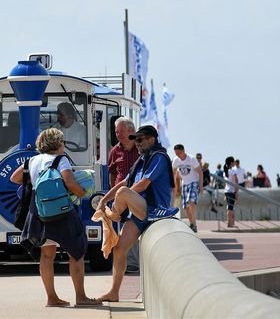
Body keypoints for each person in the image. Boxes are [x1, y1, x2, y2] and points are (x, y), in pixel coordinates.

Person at [10, 128, 100, 307]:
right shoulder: (61, 159)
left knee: (47, 254)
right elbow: (69, 182)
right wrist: (82, 193)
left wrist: (33, 181)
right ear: (58, 143)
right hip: (62, 211)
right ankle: (81, 297)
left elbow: (14, 178)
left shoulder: (32, 160)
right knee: (76, 252)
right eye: (63, 141)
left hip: (39, 211)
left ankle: (52, 298)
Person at [96, 125, 178, 303]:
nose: (137, 144)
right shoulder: (141, 159)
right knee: (119, 249)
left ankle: (114, 215)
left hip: (153, 210)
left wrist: (122, 201)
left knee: (124, 192)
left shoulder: (159, 157)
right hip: (139, 211)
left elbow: (143, 184)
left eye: (140, 140)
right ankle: (114, 292)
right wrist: (104, 200)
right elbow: (124, 182)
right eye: (136, 140)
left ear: (152, 139)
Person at [107, 117, 140, 273]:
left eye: (121, 131)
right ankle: (126, 261)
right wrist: (113, 192)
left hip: (139, 194)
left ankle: (132, 262)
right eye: (116, 132)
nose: (118, 135)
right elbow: (112, 174)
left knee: (132, 225)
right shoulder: (114, 151)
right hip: (120, 195)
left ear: (131, 130)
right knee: (122, 226)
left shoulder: (141, 148)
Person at [172, 144, 203, 232]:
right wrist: (174, 186)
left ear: (183, 151)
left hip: (193, 182)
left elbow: (200, 172)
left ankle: (194, 223)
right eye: (176, 154)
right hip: (184, 183)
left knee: (191, 202)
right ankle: (192, 223)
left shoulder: (191, 159)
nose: (178, 156)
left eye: (179, 153)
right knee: (185, 207)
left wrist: (200, 186)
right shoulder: (176, 160)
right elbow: (173, 173)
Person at [223, 156, 238, 228]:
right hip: (231, 191)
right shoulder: (233, 171)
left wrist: (224, 194)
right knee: (230, 208)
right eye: (233, 161)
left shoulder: (225, 171)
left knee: (229, 207)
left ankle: (231, 223)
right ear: (231, 163)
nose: (235, 162)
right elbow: (236, 181)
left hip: (226, 191)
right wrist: (236, 192)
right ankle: (229, 224)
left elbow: (225, 183)